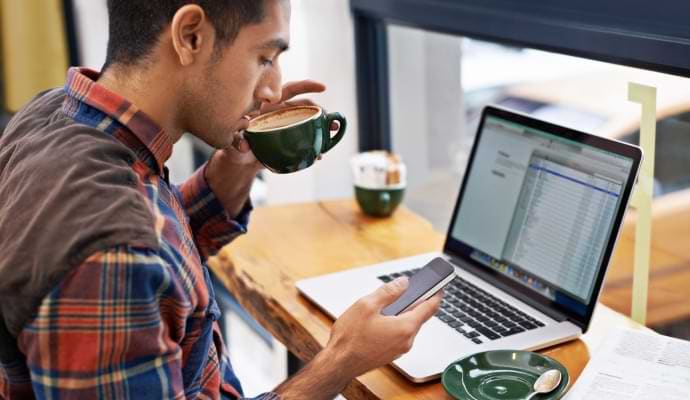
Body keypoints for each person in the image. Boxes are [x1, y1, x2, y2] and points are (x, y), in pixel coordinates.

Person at [0, 0, 442, 399]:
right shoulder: (115, 257)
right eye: (264, 58)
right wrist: (339, 362)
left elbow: (159, 256)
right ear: (190, 35)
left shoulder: (53, 114)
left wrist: (238, 164)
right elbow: (133, 255)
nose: (272, 90)